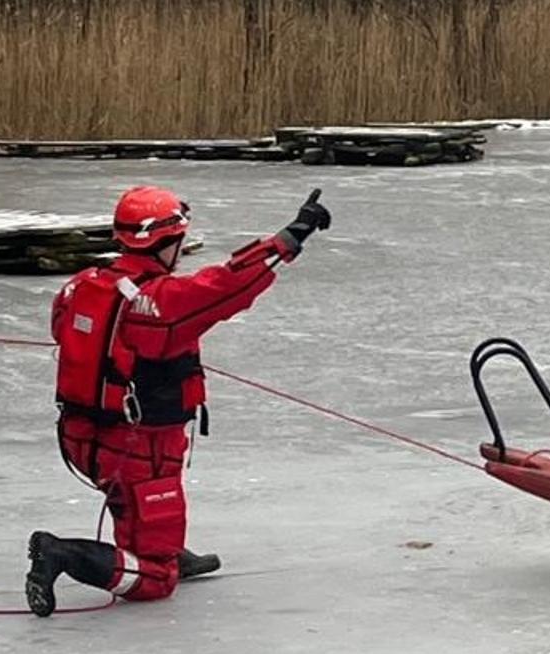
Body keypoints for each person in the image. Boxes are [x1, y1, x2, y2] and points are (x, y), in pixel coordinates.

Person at [25, 186, 332, 617]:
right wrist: (290, 237)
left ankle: (162, 546)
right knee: (156, 581)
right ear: (165, 241)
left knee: (138, 505)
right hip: (136, 446)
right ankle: (64, 554)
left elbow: (69, 332)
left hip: (83, 436)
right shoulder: (160, 302)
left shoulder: (83, 285)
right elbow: (227, 286)